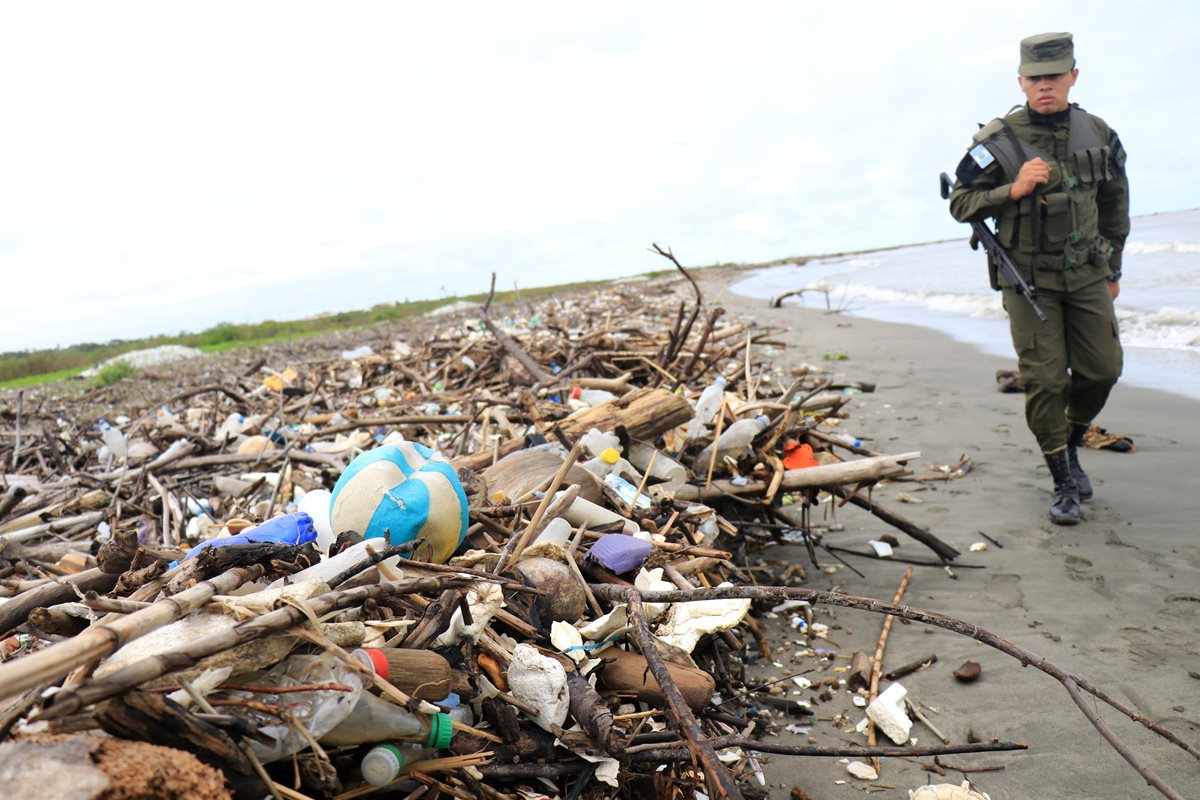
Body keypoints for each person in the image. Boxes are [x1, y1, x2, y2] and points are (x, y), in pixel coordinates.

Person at [949, 32, 1129, 525]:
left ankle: (1069, 443)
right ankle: (1063, 480)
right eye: (1035, 78)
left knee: (1103, 369)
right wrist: (1014, 188)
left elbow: (1115, 205)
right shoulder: (996, 140)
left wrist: (1113, 266)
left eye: (1054, 76)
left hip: (1088, 275)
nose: (1045, 86)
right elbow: (960, 203)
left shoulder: (1099, 132)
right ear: (1021, 81)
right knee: (1046, 380)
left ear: (1073, 75)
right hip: (1028, 279)